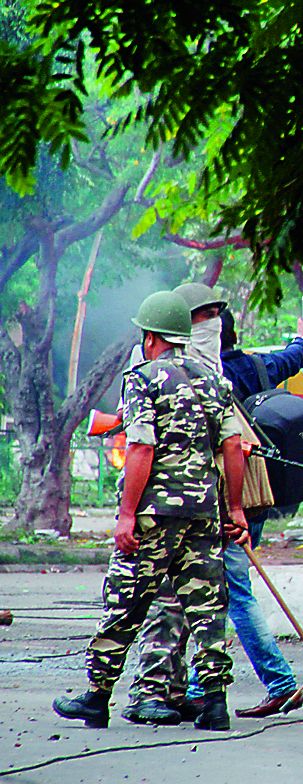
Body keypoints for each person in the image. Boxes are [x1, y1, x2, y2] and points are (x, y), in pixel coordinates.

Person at [125, 287, 303, 723]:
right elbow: (287, 361)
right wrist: (302, 339)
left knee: (216, 592)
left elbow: (170, 445)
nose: (210, 323)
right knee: (203, 594)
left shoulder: (211, 373)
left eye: (216, 314)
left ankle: (272, 683)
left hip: (218, 508)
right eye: (205, 315)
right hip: (229, 506)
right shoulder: (239, 369)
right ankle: (198, 691)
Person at [53, 290, 246, 731]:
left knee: (125, 603)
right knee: (207, 608)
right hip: (203, 511)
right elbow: (232, 446)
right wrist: (233, 508)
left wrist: (125, 514)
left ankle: (97, 697)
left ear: (152, 337)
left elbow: (141, 445)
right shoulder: (215, 379)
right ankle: (215, 704)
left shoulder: (144, 377)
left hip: (154, 514)